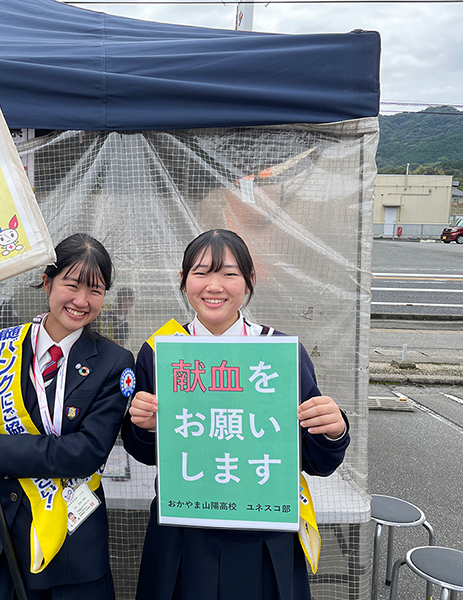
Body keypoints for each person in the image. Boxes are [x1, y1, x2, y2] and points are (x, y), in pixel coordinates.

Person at [121, 229, 349, 600]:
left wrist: (333, 431)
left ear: (249, 282)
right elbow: (145, 452)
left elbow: (315, 460)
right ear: (183, 281)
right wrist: (144, 428)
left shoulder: (280, 353)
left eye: (228, 273)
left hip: (263, 530)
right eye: (201, 272)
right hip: (184, 528)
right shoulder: (159, 352)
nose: (214, 286)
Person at [0, 233, 136, 600]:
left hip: (69, 544)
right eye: (72, 285)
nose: (82, 301)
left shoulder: (114, 362)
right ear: (47, 281)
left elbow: (88, 451)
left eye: (95, 290)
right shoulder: (0, 345)